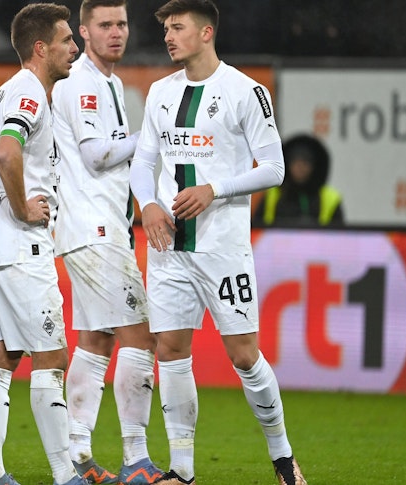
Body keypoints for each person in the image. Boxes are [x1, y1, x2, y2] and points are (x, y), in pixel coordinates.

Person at [128, 1, 307, 484]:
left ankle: (283, 457)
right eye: (166, 28)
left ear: (206, 32)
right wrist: (147, 204)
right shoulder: (159, 92)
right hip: (169, 247)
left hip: (222, 248)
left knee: (244, 354)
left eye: (178, 28)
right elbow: (144, 164)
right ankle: (182, 470)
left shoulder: (245, 91)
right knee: (169, 349)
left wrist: (215, 189)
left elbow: (274, 168)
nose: (168, 36)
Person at [0, 4, 85, 485]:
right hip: (19, 243)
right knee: (52, 356)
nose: (75, 48)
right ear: (41, 48)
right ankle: (64, 475)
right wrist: (19, 207)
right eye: (67, 40)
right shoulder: (30, 94)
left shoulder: (4, 93)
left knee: (3, 356)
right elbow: (5, 150)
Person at [51, 1, 163, 484]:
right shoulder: (81, 82)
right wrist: (152, 135)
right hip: (93, 228)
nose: (116, 32)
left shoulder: (110, 83)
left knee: (96, 340)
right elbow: (96, 156)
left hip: (98, 227)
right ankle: (136, 458)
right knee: (140, 335)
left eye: (121, 23)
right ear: (84, 31)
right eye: (104, 25)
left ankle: (77, 452)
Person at [253, 133, 344, 228]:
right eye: (295, 162)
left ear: (314, 166)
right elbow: (256, 231)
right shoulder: (272, 196)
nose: (300, 168)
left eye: (305, 163)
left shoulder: (330, 198)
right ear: (287, 165)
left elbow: (340, 237)